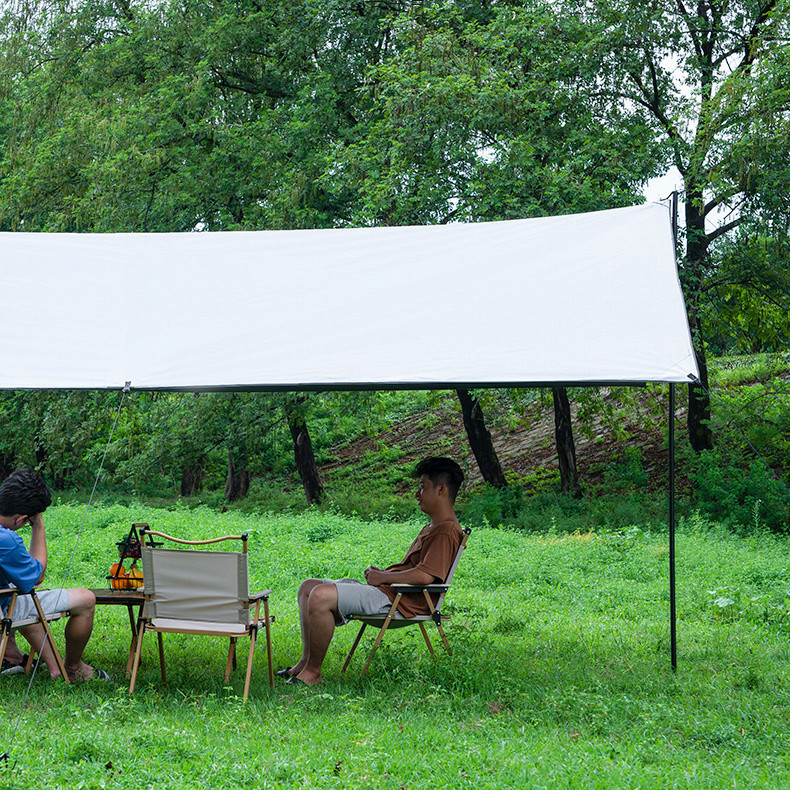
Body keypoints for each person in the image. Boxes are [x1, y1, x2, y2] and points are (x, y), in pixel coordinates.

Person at [281, 456, 465, 686]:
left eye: (422, 487)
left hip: (400, 601)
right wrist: (383, 576)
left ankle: (313, 673)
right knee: (308, 587)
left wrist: (383, 577)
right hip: (391, 592)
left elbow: (424, 576)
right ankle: (304, 662)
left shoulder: (446, 531)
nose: (417, 494)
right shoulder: (433, 527)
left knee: (319, 596)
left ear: (441, 489)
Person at [0, 468, 107, 681]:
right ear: (21, 519)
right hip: (4, 609)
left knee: (24, 596)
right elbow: (37, 576)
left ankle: (52, 666)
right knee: (86, 599)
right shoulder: (6, 540)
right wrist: (38, 524)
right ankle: (74, 667)